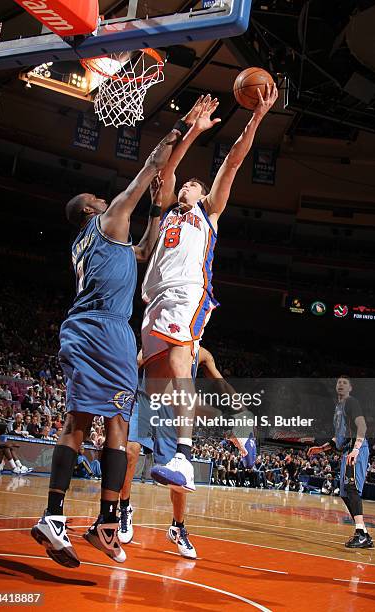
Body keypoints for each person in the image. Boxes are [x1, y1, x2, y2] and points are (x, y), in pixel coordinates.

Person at [30, 119, 189, 569]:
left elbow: (142, 252)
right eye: (93, 200)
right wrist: (180, 129)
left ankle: (76, 518)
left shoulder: (93, 242)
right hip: (104, 329)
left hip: (91, 329)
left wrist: (158, 212)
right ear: (88, 212)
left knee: (93, 418)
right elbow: (149, 166)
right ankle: (83, 518)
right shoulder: (107, 218)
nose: (101, 198)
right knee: (106, 420)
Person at [141, 85, 278, 493]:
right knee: (160, 397)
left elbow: (233, 162)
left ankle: (183, 458)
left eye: (194, 186)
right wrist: (192, 132)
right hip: (154, 301)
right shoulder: (166, 212)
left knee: (183, 367)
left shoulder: (208, 212)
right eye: (187, 185)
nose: (188, 187)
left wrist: (256, 118)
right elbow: (166, 171)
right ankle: (237, 432)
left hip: (189, 293)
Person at [118, 346, 237, 558]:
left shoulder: (201, 353)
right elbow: (134, 364)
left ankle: (177, 527)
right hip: (145, 399)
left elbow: (220, 383)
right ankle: (124, 509)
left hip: (173, 410)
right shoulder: (157, 339)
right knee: (130, 451)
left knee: (178, 473)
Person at [308, 375, 373, 548]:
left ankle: (360, 533)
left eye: (345, 383)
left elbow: (362, 426)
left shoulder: (352, 402)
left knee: (351, 489)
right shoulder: (338, 407)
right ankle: (364, 533)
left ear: (350, 388)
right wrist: (321, 449)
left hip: (355, 450)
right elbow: (339, 436)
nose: (341, 384)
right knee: (344, 493)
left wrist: (356, 449)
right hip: (346, 451)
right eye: (339, 382)